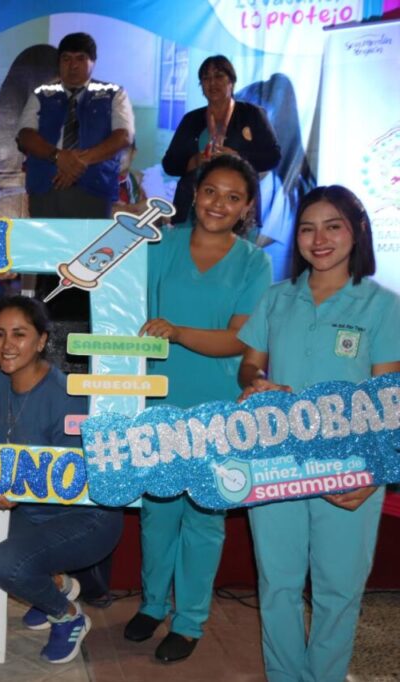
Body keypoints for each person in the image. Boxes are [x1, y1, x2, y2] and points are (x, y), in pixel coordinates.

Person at [237, 185, 400, 682]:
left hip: (351, 466)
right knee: (278, 585)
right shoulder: (276, 297)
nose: (319, 238)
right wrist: (257, 383)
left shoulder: (381, 305)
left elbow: (388, 399)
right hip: (277, 459)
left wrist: (375, 472)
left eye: (333, 226)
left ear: (358, 231)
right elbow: (248, 367)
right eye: (308, 228)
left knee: (339, 590)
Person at [124, 155, 272, 662]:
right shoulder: (161, 244)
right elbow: (121, 297)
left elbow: (240, 339)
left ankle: (188, 622)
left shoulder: (254, 262)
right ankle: (151, 605)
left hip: (218, 409)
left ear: (246, 208)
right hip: (156, 401)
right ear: (194, 192)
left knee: (205, 518)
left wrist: (178, 332)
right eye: (211, 191)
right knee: (157, 514)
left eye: (233, 197)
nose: (218, 204)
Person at [0, 296, 122, 664]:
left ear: (41, 341)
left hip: (84, 516)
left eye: (19, 334)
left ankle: (67, 616)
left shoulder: (66, 396)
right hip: (31, 512)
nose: (7, 345)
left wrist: (16, 490)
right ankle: (57, 587)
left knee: (6, 565)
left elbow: (67, 477)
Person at [16, 32, 134, 352]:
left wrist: (78, 161)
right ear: (59, 63)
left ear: (93, 63)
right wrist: (59, 157)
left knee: (89, 271)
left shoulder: (113, 93)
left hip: (92, 195)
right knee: (49, 269)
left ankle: (82, 351)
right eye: (66, 59)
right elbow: (25, 135)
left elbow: (123, 136)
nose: (73, 65)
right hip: (48, 192)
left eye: (81, 59)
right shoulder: (43, 93)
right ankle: (48, 347)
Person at [162, 55, 281, 227]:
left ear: (231, 81)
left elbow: (273, 156)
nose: (212, 83)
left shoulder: (252, 114)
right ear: (201, 86)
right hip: (191, 207)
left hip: (238, 208)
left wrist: (238, 157)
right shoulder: (191, 119)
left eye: (219, 76)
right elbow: (169, 164)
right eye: (206, 78)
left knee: (236, 245)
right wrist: (194, 161)